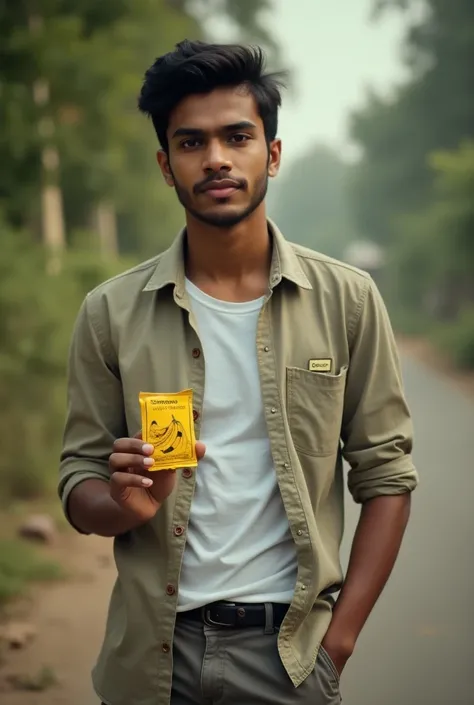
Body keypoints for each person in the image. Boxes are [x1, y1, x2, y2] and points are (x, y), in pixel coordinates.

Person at [58, 39, 419, 705]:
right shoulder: (110, 312)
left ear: (271, 154)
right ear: (167, 166)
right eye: (192, 143)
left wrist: (337, 643)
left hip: (288, 655)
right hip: (150, 660)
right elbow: (78, 480)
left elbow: (388, 476)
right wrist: (121, 502)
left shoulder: (348, 299)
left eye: (237, 136)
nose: (216, 158)